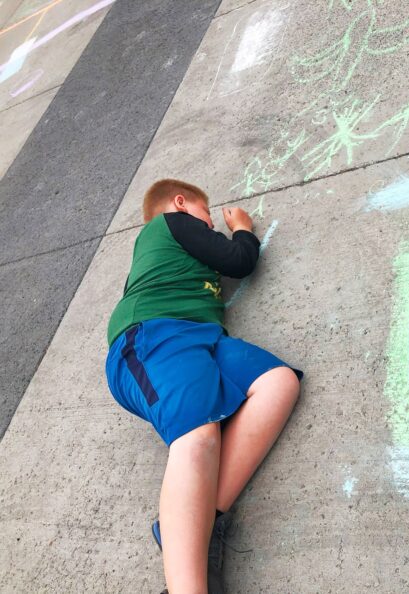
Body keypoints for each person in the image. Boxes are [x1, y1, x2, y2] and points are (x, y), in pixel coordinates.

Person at [104, 179, 303, 593]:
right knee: (198, 437)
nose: (209, 225)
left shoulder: (169, 248)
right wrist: (242, 228)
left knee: (278, 383)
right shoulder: (169, 223)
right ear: (180, 203)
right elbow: (238, 260)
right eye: (206, 216)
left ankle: (195, 526)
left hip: (203, 339)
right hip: (154, 337)